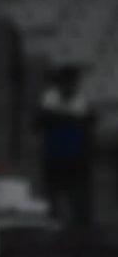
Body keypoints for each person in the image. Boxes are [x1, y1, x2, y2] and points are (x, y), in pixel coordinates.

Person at [37, 66, 94, 228]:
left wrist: (64, 117)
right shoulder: (49, 99)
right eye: (66, 82)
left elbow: (88, 122)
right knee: (52, 195)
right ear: (60, 83)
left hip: (76, 157)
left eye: (72, 83)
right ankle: (52, 224)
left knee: (77, 197)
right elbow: (39, 122)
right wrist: (70, 118)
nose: (69, 86)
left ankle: (80, 228)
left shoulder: (82, 100)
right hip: (54, 156)